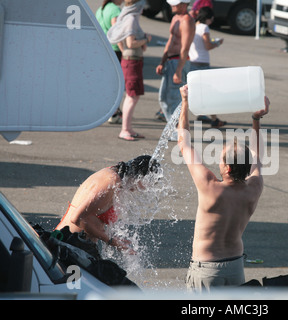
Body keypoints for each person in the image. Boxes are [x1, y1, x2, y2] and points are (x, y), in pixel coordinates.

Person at [177, 85, 270, 292]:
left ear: (226, 167)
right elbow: (258, 157)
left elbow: (184, 144)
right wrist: (256, 119)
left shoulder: (210, 186)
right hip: (236, 267)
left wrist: (185, 102)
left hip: (207, 270)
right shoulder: (254, 188)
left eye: (220, 158)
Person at [54, 155, 159, 253]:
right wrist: (112, 242)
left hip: (79, 246)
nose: (145, 189)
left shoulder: (117, 178)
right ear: (140, 176)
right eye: (148, 184)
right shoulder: (111, 181)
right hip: (66, 245)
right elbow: (78, 218)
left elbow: (94, 218)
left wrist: (113, 237)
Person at [108, 0, 152, 141]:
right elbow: (130, 43)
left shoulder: (127, 17)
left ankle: (128, 128)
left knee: (133, 95)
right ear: (137, 6)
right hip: (132, 61)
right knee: (132, 96)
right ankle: (125, 130)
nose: (143, 9)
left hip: (131, 61)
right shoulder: (131, 19)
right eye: (142, 6)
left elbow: (122, 41)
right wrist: (145, 39)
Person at [156, 0, 195, 136]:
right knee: (163, 98)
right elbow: (170, 40)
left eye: (175, 3)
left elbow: (185, 48)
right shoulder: (175, 18)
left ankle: (179, 133)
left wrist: (178, 71)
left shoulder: (187, 21)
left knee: (173, 99)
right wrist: (163, 61)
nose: (171, 5)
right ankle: (175, 130)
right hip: (171, 61)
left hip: (179, 62)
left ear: (184, 4)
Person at [189, 6, 226, 129]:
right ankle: (214, 119)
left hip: (192, 61)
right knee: (207, 93)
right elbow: (207, 46)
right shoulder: (204, 27)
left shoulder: (193, 25)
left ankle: (202, 114)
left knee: (193, 91)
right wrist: (217, 43)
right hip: (202, 63)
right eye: (212, 19)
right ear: (208, 18)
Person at [95, 0, 124, 124]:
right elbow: (116, 33)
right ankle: (114, 112)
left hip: (103, 49)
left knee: (106, 82)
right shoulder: (115, 10)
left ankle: (107, 110)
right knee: (115, 84)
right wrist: (125, 51)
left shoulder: (101, 9)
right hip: (115, 51)